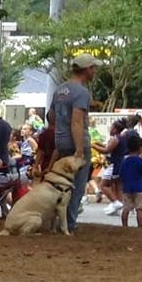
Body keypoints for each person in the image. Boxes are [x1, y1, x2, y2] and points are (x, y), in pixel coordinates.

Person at [47, 56, 95, 231]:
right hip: (76, 142)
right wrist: (80, 149)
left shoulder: (59, 90)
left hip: (60, 141)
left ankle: (56, 221)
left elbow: (51, 116)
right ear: (86, 69)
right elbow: (77, 121)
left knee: (60, 183)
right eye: (92, 68)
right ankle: (69, 223)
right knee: (77, 185)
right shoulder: (81, 92)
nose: (94, 71)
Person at [116, 129, 142, 227]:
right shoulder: (141, 161)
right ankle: (140, 226)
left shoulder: (124, 161)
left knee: (126, 208)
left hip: (127, 188)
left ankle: (124, 225)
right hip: (140, 188)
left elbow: (121, 175)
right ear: (140, 148)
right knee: (139, 209)